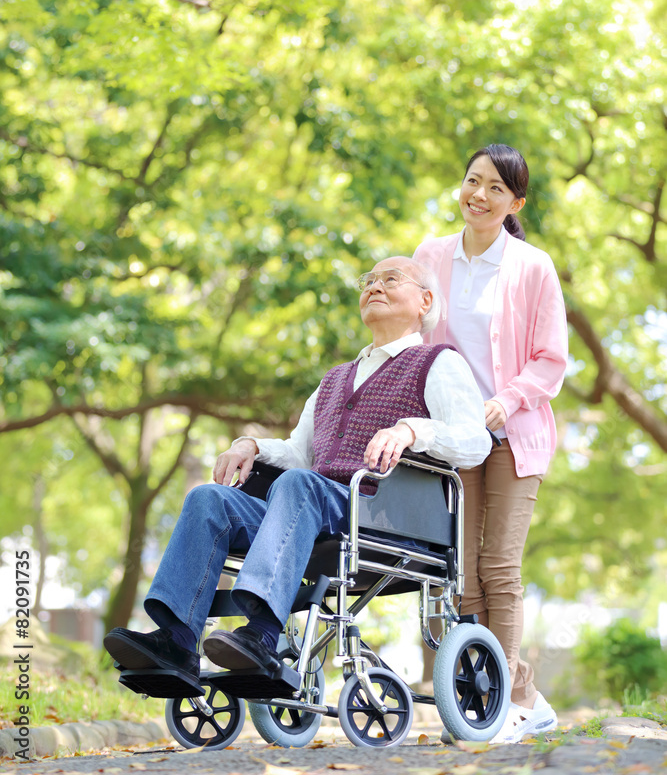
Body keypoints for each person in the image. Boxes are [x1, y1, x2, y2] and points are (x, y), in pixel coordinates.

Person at [104, 256, 490, 684]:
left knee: (299, 486)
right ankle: (177, 640)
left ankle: (262, 636)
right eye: (369, 281)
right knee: (209, 499)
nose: (374, 287)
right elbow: (299, 451)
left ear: (425, 301)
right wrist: (250, 444)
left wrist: (412, 430)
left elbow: (475, 441)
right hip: (308, 506)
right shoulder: (335, 378)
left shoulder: (437, 362)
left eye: (391, 280)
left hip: (383, 513)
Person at [414, 144, 568, 744]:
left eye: (495, 190)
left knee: (500, 568)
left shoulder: (532, 267)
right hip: (456, 440)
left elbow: (551, 360)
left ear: (515, 203)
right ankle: (510, 693)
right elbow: (415, 335)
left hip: (511, 435)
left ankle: (505, 707)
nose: (478, 196)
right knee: (463, 575)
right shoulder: (431, 256)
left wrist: (504, 401)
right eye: (472, 181)